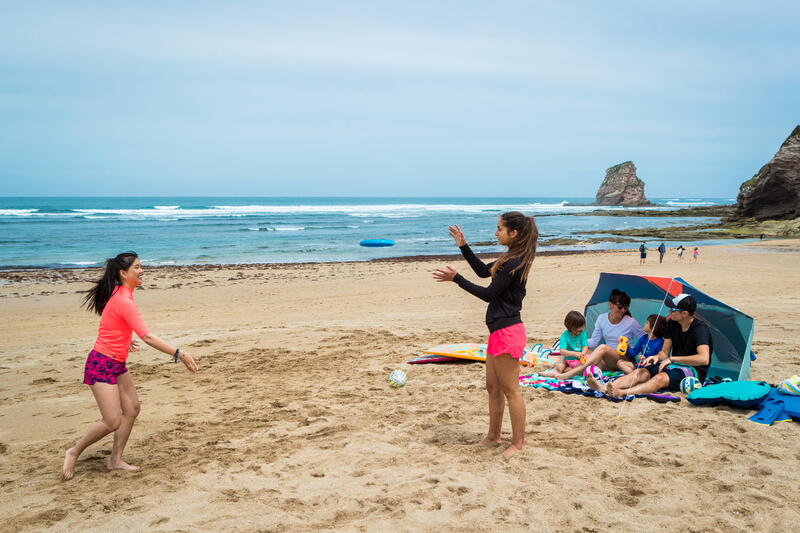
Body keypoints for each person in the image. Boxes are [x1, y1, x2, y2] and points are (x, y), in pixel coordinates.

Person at [62, 252, 199, 481]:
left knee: (133, 408)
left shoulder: (121, 294)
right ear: (123, 273)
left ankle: (115, 459)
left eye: (141, 266)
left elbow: (111, 320)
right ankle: (73, 451)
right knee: (112, 420)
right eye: (137, 267)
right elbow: (148, 337)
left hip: (116, 362)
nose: (142, 270)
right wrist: (179, 353)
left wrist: (125, 339)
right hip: (101, 364)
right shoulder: (124, 299)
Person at [433, 212, 538, 458]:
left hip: (508, 332)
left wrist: (456, 279)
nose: (496, 232)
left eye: (500, 229)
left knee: (511, 390)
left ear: (514, 233)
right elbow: (482, 272)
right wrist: (463, 246)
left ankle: (518, 443)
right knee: (493, 387)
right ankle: (493, 436)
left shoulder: (515, 262)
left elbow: (488, 294)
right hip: (498, 331)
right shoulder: (509, 258)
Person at [587, 294, 712, 397]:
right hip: (672, 365)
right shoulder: (672, 324)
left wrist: (672, 359)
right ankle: (604, 388)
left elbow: (703, 359)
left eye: (673, 310)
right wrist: (656, 357)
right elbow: (664, 353)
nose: (669, 311)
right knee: (641, 372)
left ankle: (621, 392)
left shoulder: (699, 329)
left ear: (684, 314)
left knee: (659, 379)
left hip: (692, 371)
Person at [555, 289, 645, 379]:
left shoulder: (631, 322)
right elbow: (594, 341)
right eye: (620, 307)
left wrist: (640, 353)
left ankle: (568, 374)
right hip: (608, 360)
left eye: (626, 308)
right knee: (577, 352)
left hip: (624, 359)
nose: (623, 310)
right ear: (610, 304)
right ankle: (559, 370)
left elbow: (645, 339)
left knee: (602, 348)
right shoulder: (602, 318)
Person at [541, 311, 589, 378]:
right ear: (571, 327)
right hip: (570, 359)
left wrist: (583, 353)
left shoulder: (582, 333)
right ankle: (565, 370)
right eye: (578, 330)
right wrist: (574, 354)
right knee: (560, 368)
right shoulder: (565, 335)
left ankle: (569, 370)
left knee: (587, 363)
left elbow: (585, 345)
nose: (580, 331)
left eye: (582, 329)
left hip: (580, 359)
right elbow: (562, 351)